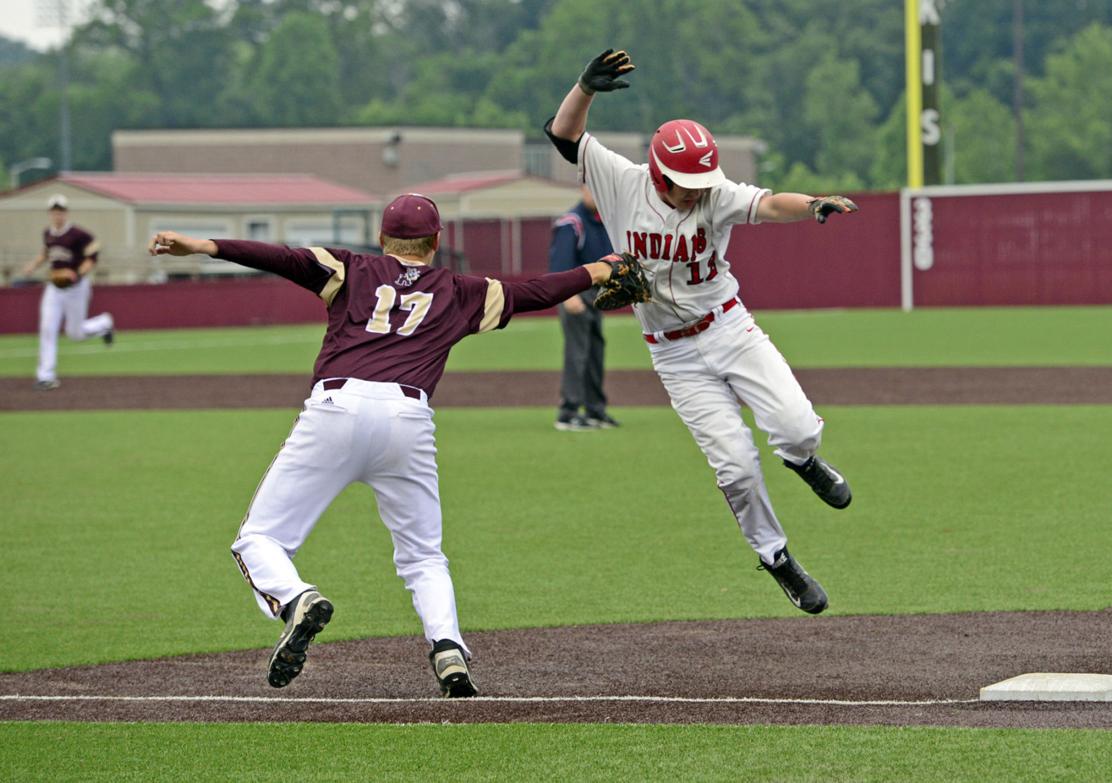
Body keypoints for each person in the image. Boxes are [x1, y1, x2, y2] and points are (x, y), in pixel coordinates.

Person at [148, 194, 623, 697]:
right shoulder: (461, 290)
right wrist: (598, 269)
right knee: (423, 556)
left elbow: (278, 257)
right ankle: (448, 648)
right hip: (407, 418)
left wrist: (202, 246)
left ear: (381, 238)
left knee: (259, 539)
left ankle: (295, 599)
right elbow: (537, 291)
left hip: (336, 409)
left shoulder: (348, 268)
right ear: (436, 241)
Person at [546, 49, 860, 614]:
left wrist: (812, 204)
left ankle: (804, 461)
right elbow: (564, 134)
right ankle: (776, 557)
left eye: (702, 178)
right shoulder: (621, 182)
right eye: (686, 180)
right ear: (659, 173)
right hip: (674, 355)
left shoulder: (715, 194)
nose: (697, 188)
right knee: (735, 467)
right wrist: (584, 88)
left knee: (797, 428)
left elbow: (769, 204)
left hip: (729, 327)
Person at [22, 194, 115, 390]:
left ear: (66, 213)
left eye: (61, 211)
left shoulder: (78, 234)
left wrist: (77, 274)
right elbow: (46, 253)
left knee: (75, 334)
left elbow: (92, 257)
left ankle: (104, 323)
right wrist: (32, 266)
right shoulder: (48, 233)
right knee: (47, 328)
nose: (58, 215)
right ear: (50, 213)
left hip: (76, 288)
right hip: (54, 288)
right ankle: (46, 376)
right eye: (55, 212)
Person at [550, 184, 618, 431]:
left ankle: (594, 410)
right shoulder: (572, 222)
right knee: (577, 353)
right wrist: (568, 297)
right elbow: (560, 265)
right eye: (593, 189)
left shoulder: (605, 221)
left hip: (596, 295)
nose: (598, 194)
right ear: (583, 189)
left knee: (595, 351)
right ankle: (568, 413)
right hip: (575, 294)